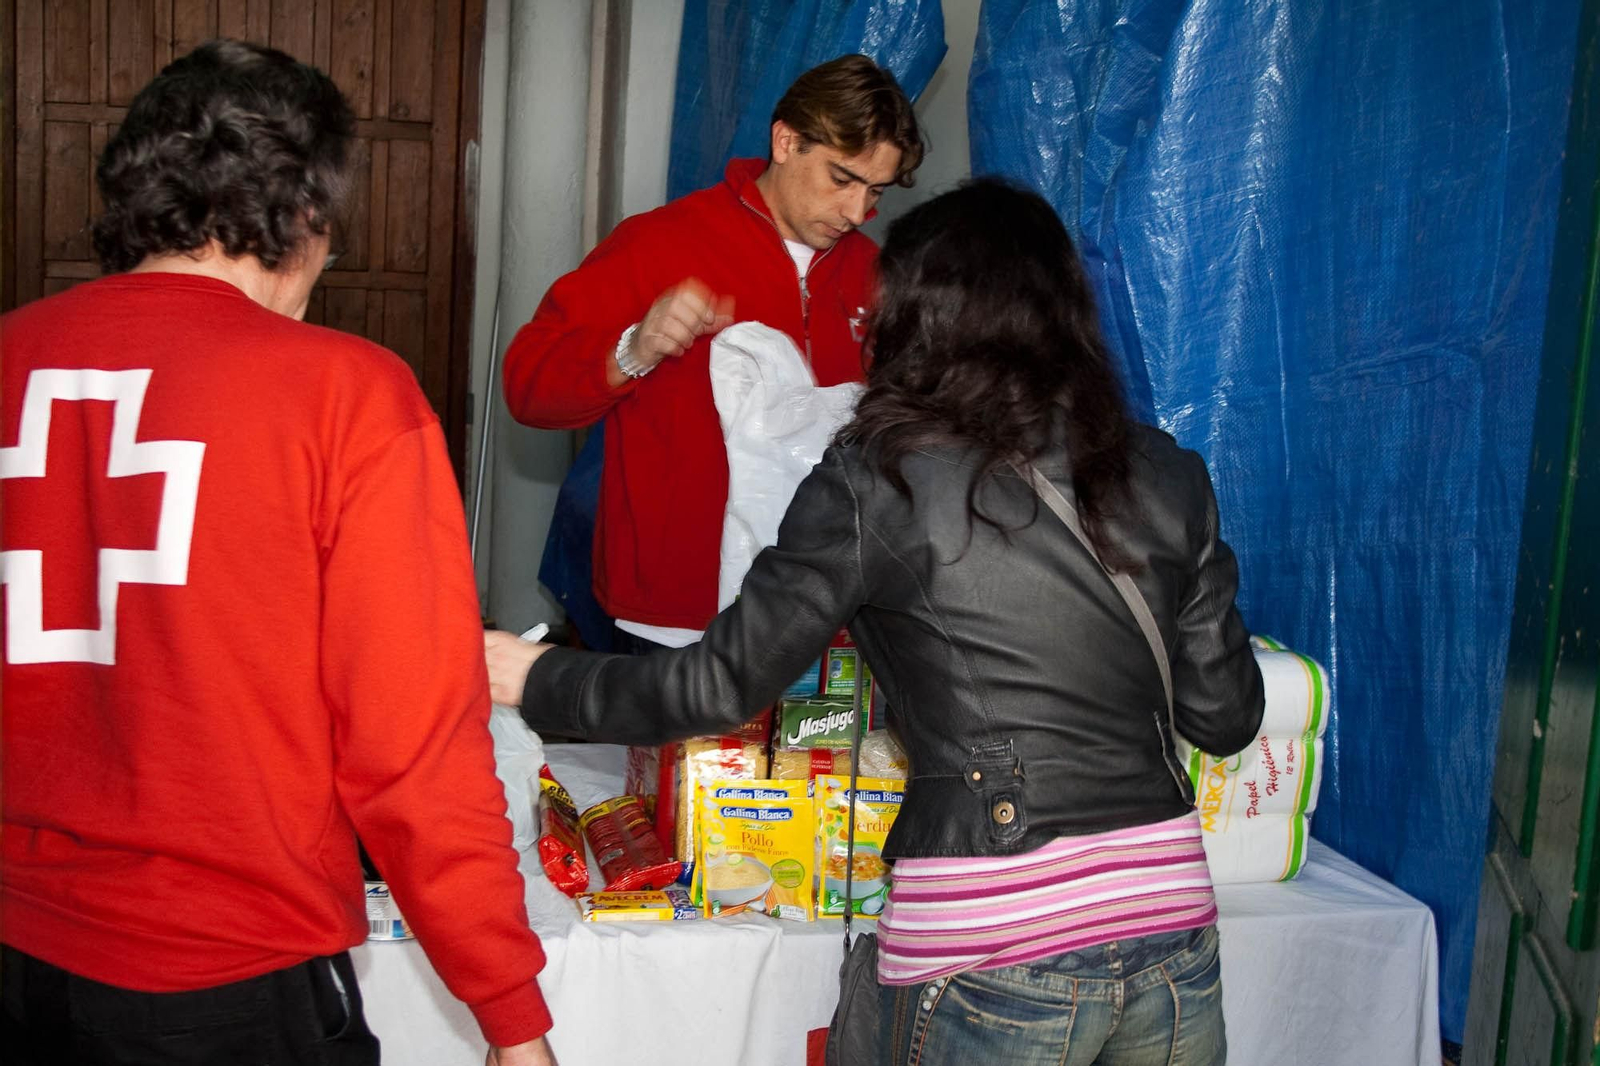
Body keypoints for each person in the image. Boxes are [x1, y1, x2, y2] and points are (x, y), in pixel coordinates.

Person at [486, 179, 1266, 1066]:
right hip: (1171, 932)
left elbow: (715, 686)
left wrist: (534, 676)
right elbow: (1226, 716)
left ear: (922, 316)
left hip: (993, 942)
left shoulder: (882, 476)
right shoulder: (1166, 472)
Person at [1, 41, 555, 1066]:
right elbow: (413, 747)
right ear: (302, 217)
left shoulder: (11, 357)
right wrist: (510, 1016)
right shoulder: (345, 396)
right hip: (226, 977)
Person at [502, 53, 924, 653]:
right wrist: (632, 349)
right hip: (675, 616)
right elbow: (528, 386)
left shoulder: (873, 275)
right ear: (786, 142)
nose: (857, 213)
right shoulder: (660, 243)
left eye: (875, 191)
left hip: (821, 612)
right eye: (842, 179)